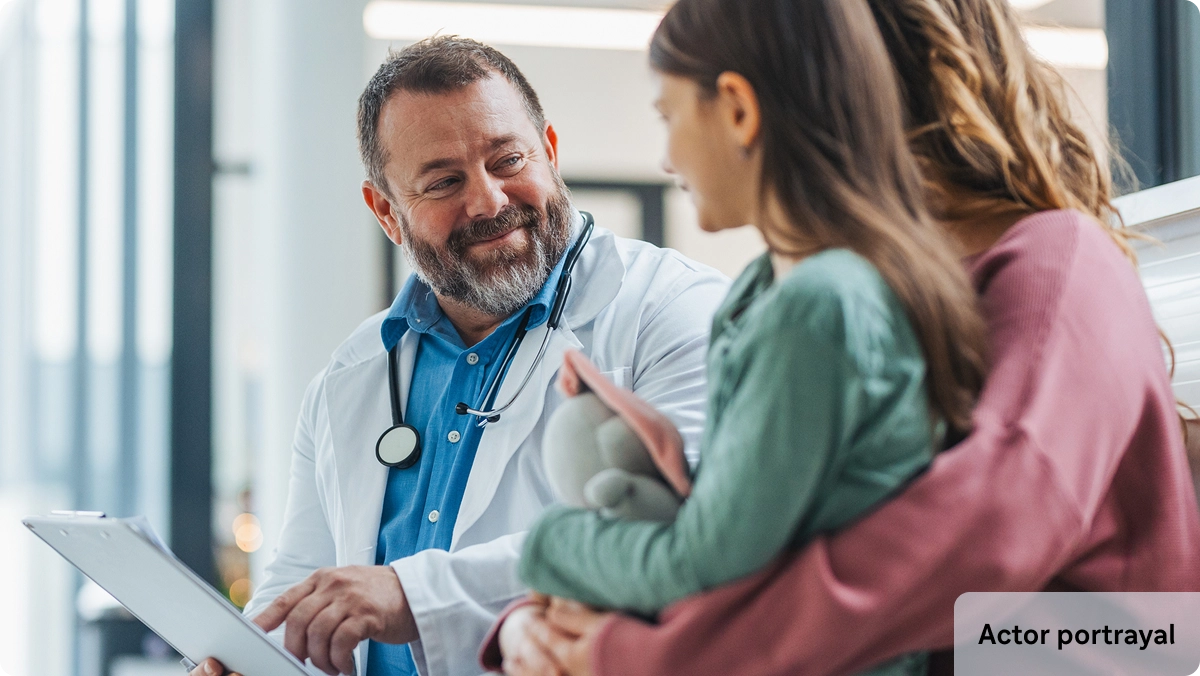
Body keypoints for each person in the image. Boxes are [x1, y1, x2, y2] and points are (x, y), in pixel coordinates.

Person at [484, 0, 1200, 674]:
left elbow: (981, 539)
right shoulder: (839, 289)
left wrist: (650, 653)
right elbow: (761, 526)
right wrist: (538, 617)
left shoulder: (1055, 266)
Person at [189, 36, 727, 676]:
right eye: (444, 182)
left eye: (508, 160)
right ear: (387, 212)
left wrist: (413, 596)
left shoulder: (674, 310)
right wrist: (247, 656)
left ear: (550, 152)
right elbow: (303, 576)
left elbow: (679, 533)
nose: (489, 201)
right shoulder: (353, 373)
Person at [503, 0, 988, 674]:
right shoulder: (763, 291)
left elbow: (703, 565)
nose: (667, 157)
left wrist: (548, 543)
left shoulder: (820, 305)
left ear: (737, 110)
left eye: (669, 117)